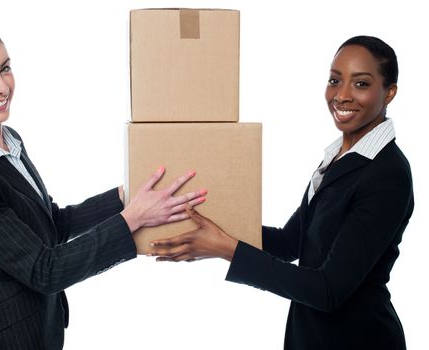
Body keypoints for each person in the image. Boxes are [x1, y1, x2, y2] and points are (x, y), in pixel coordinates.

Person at [0, 20, 207, 350]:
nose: (2, 86)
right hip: (7, 339)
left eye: (5, 69)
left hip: (45, 327)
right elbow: (44, 270)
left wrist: (126, 196)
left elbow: (51, 225)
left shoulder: (8, 140)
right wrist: (132, 220)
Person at [150, 35, 414, 350]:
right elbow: (291, 242)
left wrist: (228, 248)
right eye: (334, 80)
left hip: (358, 339)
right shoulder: (339, 157)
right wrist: (210, 228)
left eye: (361, 84)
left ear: (390, 92)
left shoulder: (386, 174)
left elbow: (327, 290)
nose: (341, 95)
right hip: (311, 337)